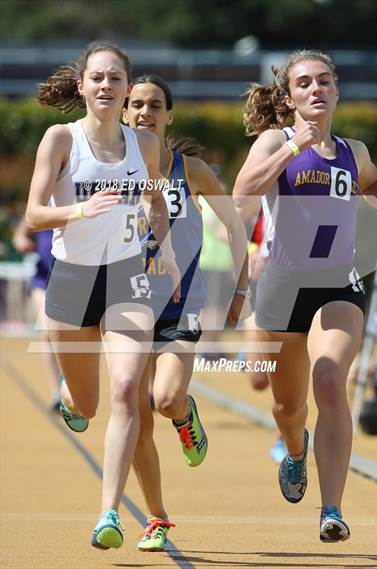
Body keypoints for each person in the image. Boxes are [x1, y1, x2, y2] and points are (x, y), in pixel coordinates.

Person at [233, 49, 377, 542]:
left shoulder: (356, 151)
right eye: (304, 83)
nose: (316, 89)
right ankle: (293, 450)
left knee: (329, 378)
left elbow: (375, 185)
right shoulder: (274, 140)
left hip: (337, 283)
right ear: (289, 98)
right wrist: (292, 149)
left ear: (336, 89)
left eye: (324, 81)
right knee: (288, 409)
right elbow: (242, 196)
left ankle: (332, 509)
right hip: (283, 288)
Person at [25, 42, 180, 551]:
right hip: (71, 280)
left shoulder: (146, 146)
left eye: (115, 79)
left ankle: (108, 512)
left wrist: (166, 249)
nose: (106, 86)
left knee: (126, 390)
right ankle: (72, 398)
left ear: (127, 88)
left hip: (126, 276)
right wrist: (79, 212)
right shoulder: (61, 139)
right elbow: (33, 215)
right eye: (97, 78)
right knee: (88, 404)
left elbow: (156, 199)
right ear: (82, 86)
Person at [122, 75, 250, 551]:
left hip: (182, 303)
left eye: (155, 105)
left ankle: (185, 415)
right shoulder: (108, 168)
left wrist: (240, 288)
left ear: (168, 115)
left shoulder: (190, 170)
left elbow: (236, 229)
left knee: (167, 398)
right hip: (128, 303)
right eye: (135, 104)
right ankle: (156, 517)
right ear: (123, 111)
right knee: (134, 413)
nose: (144, 112)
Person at [12, 220, 61, 411]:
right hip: (44, 280)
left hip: (73, 278)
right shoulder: (41, 205)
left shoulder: (75, 199)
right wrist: (22, 241)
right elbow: (20, 233)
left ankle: (71, 384)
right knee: (47, 333)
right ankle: (57, 394)